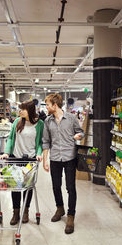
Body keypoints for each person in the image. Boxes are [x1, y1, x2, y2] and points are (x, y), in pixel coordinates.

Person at [42, 93, 84, 234]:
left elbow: (81, 132)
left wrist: (79, 136)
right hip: (55, 158)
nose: (46, 107)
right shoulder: (48, 121)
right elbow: (46, 141)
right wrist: (45, 160)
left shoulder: (71, 118)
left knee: (70, 188)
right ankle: (60, 209)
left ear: (55, 105)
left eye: (47, 104)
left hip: (70, 157)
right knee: (55, 186)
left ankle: (71, 215)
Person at [0, 100, 44, 225]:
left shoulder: (39, 124)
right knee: (15, 186)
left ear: (30, 110)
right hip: (16, 158)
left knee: (27, 187)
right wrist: (7, 153)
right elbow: (11, 138)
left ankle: (25, 211)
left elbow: (40, 142)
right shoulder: (17, 122)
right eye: (20, 109)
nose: (20, 111)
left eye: (23, 109)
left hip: (30, 160)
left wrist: (39, 154)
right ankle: (16, 212)